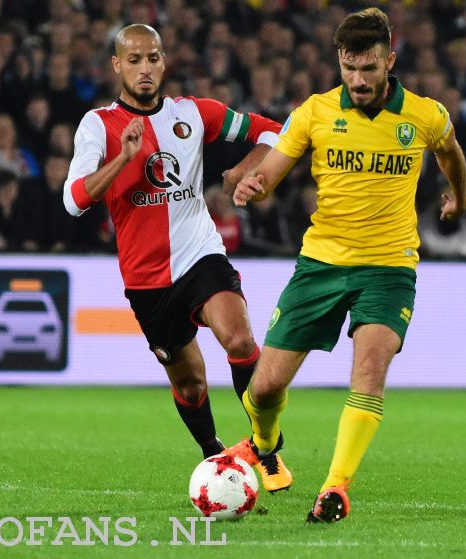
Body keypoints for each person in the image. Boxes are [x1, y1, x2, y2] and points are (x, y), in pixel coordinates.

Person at [227, 8, 466, 522]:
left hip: (389, 267)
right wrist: (256, 184)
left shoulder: (423, 115)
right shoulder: (314, 112)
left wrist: (460, 195)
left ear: (390, 62)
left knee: (369, 372)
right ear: (339, 62)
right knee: (264, 387)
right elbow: (273, 168)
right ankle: (264, 446)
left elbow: (451, 150)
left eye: (369, 69)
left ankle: (335, 488)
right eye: (349, 68)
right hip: (321, 264)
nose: (358, 80)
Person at [62, 24, 291, 491]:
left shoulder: (193, 113)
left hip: (200, 255)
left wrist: (246, 169)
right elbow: (74, 199)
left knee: (240, 339)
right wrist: (123, 158)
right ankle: (216, 459)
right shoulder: (98, 125)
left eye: (152, 58)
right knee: (190, 384)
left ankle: (266, 450)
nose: (144, 69)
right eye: (133, 60)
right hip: (147, 279)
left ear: (164, 62)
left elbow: (277, 131)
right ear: (116, 65)